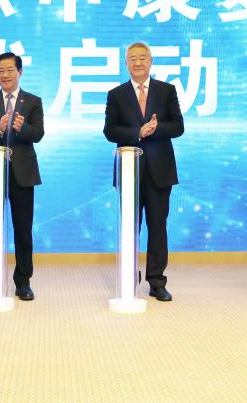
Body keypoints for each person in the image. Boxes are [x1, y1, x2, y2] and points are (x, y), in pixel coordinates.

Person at [103, 42, 185, 301]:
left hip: (160, 170)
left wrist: (155, 129)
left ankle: (156, 281)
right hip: (129, 171)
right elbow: (110, 131)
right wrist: (137, 132)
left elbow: (178, 126)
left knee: (158, 226)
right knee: (130, 226)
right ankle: (129, 276)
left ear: (151, 61)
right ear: (126, 63)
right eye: (132, 59)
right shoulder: (116, 94)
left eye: (142, 58)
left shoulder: (166, 90)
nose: (137, 62)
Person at [0, 52, 44, 301]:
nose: (5, 75)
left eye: (10, 70)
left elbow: (38, 134)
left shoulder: (33, 101)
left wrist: (22, 128)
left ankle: (23, 282)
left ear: (20, 72)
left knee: (23, 229)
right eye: (0, 70)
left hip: (23, 173)